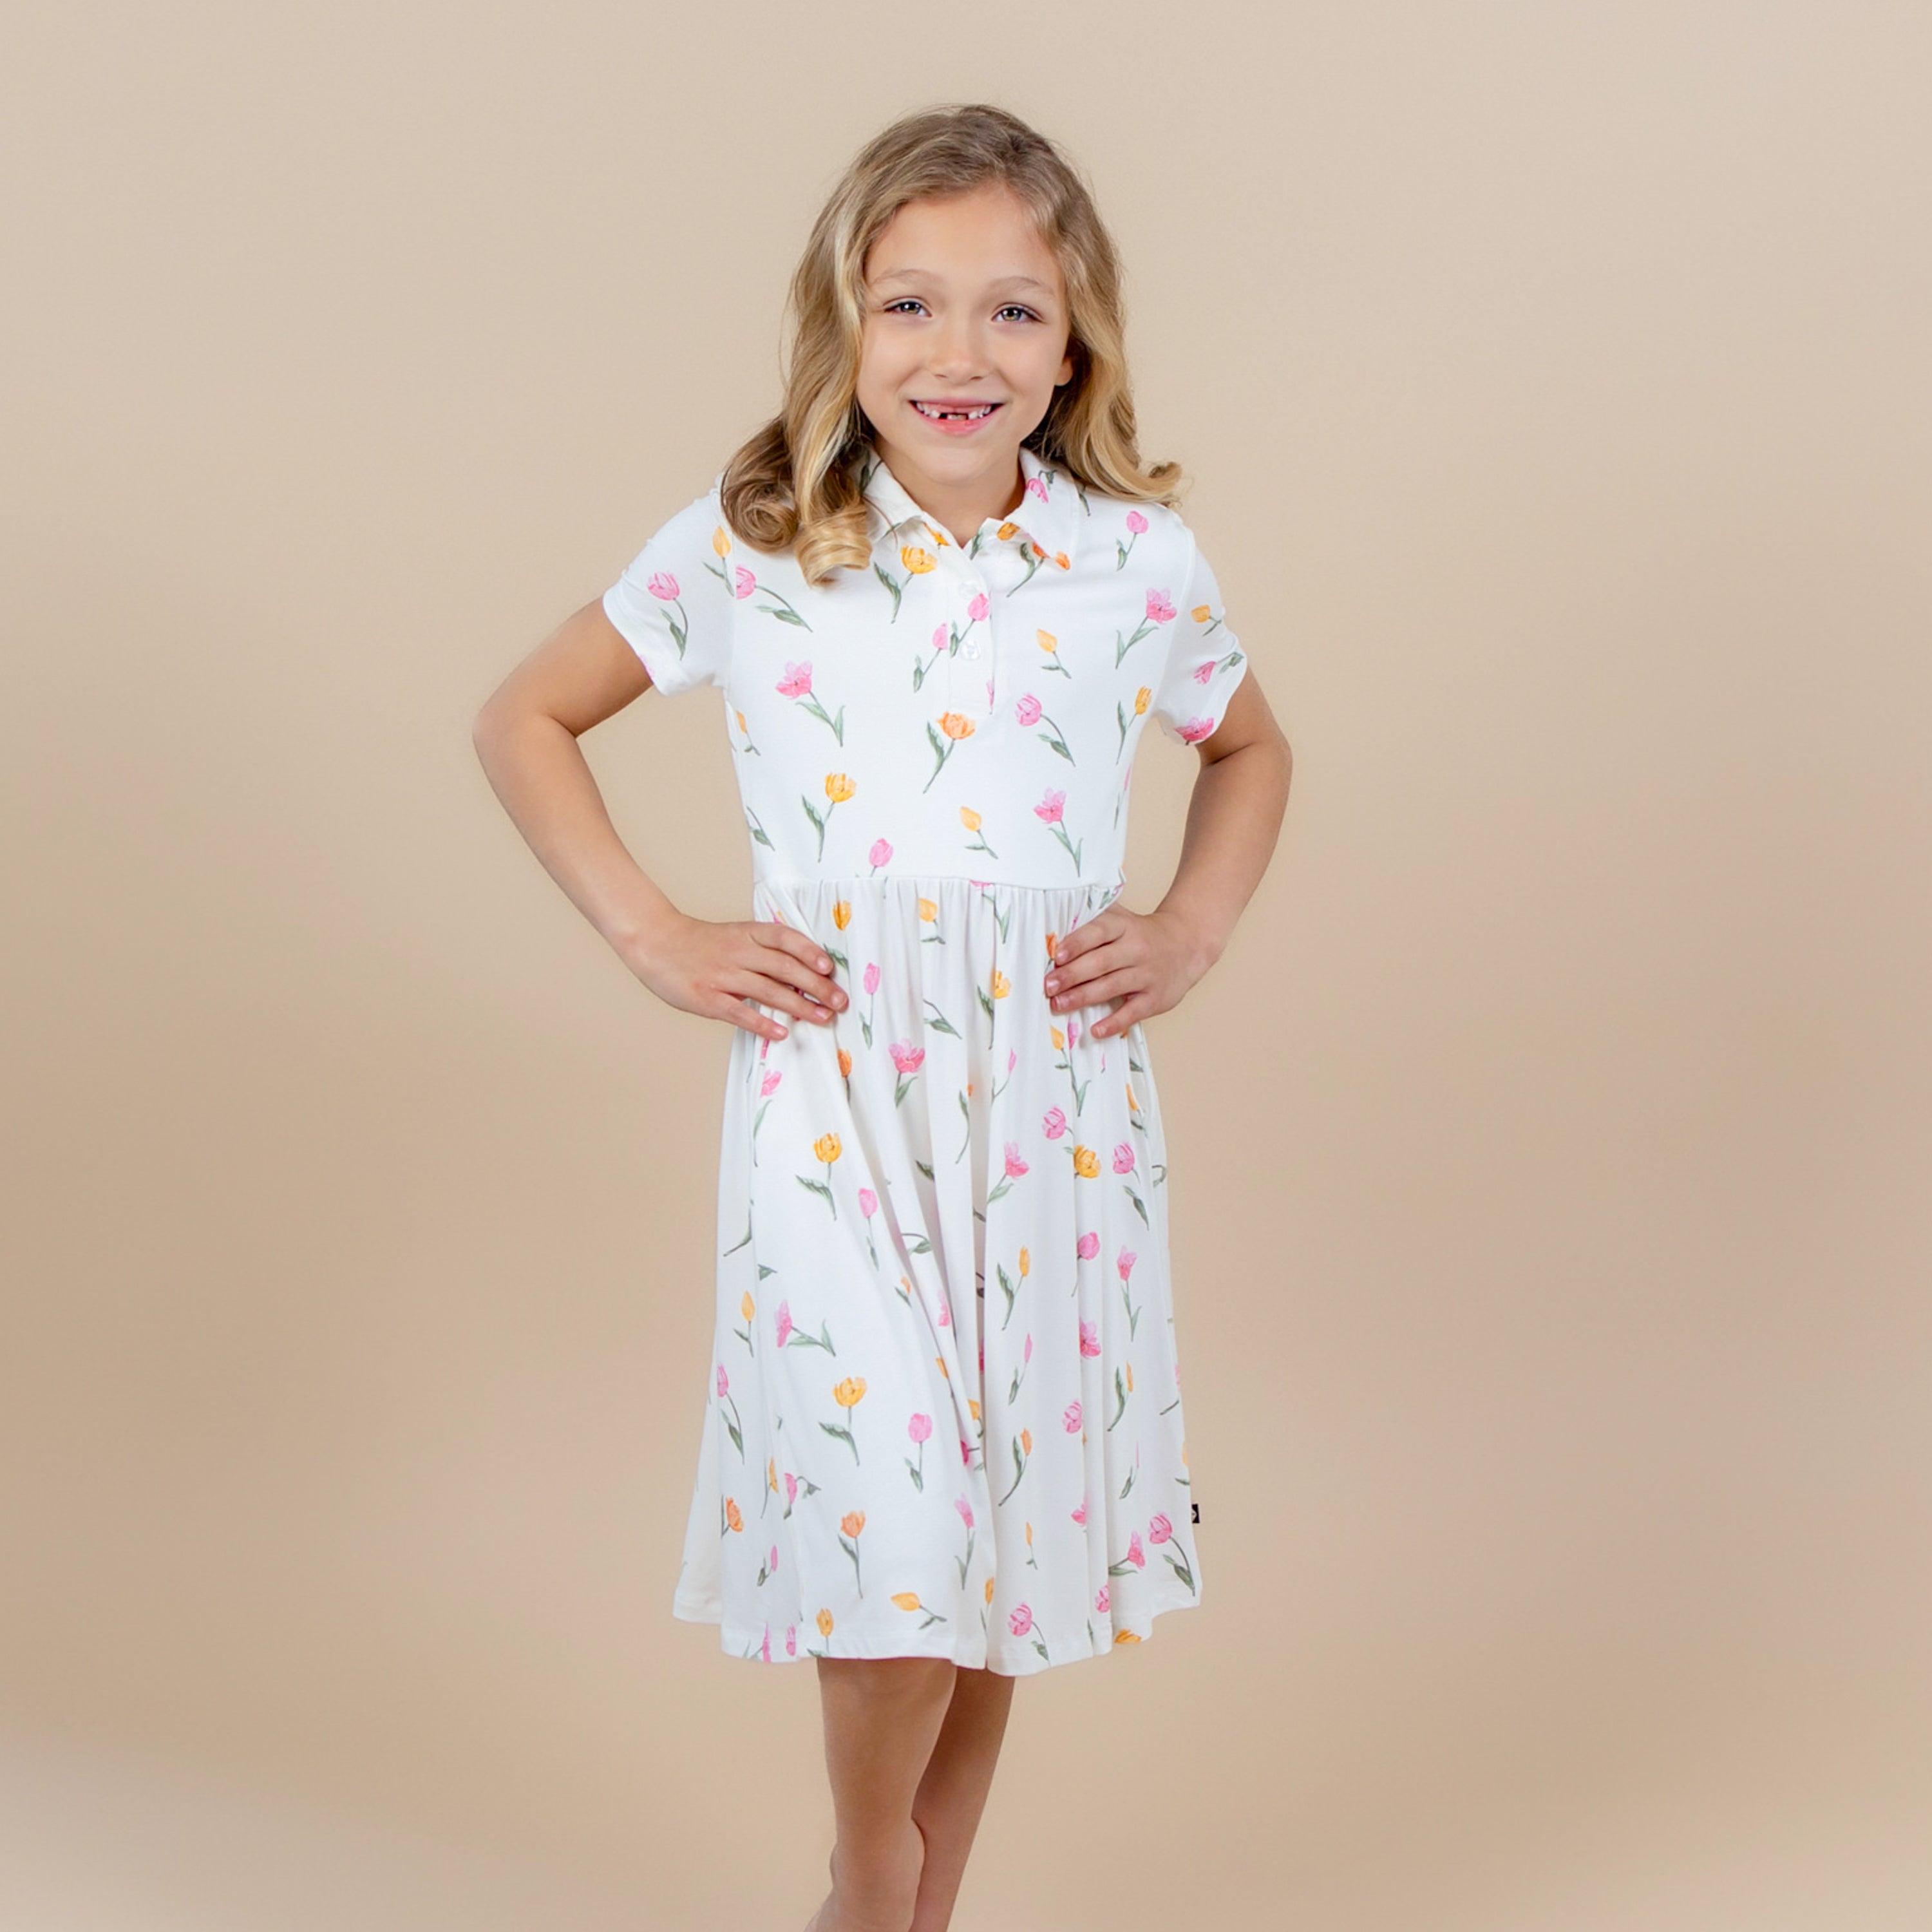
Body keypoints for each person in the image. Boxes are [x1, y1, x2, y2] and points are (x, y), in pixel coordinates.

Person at [473, 100, 1292, 1932]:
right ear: (844, 322)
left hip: (1055, 1105)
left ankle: (917, 1917)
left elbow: (1250, 749)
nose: (957, 352)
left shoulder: (1135, 562)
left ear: (1073, 346)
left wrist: (1191, 927)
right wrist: (652, 934)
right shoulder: (755, 544)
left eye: (1014, 310)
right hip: (834, 1094)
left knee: (1000, 1542)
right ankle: (869, 1874)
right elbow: (525, 715)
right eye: (909, 304)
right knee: (897, 1526)